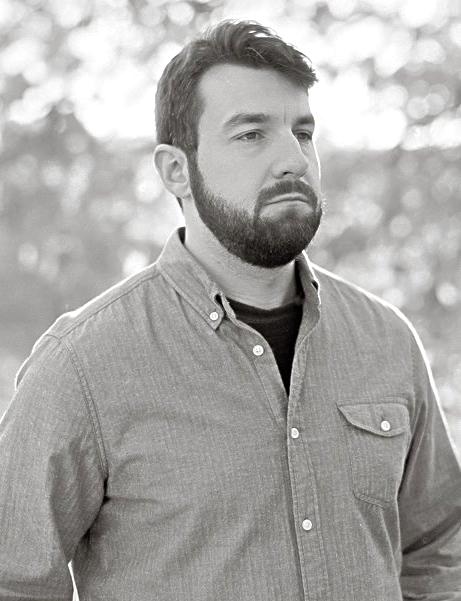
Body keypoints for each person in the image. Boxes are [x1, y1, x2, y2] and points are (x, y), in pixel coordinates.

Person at [0, 19, 460, 601]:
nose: (293, 160)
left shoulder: (387, 341)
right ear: (175, 170)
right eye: (251, 134)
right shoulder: (84, 365)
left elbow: (440, 552)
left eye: (303, 132)